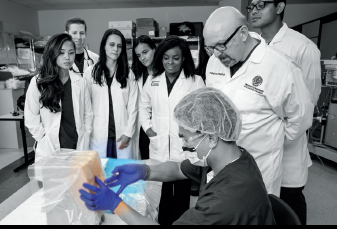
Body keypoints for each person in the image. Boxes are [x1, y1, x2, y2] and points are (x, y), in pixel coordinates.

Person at [79, 87, 276, 225]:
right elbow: (176, 169)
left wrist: (114, 204)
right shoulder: (232, 159)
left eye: (186, 138)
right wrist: (143, 171)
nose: (183, 145)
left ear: (212, 137)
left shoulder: (225, 200)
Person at [204, 7, 314, 197]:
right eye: (210, 48)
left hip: (260, 167)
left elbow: (300, 119)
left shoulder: (281, 68)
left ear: (243, 33)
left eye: (221, 46)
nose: (216, 54)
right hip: (221, 164)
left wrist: (270, 140)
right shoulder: (214, 63)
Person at [248, 0, 322, 225]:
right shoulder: (251, 45)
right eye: (250, 7)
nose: (253, 11)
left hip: (288, 145)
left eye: (261, 5)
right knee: (259, 204)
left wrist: (279, 137)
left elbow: (307, 103)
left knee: (289, 206)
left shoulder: (302, 47)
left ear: (279, 7)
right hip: (256, 144)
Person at [139, 35, 205, 225]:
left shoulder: (195, 81)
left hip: (183, 143)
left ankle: (181, 223)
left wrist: (193, 137)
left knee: (183, 187)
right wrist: (149, 129)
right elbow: (144, 107)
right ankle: (164, 222)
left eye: (175, 58)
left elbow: (201, 112)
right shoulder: (153, 80)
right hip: (159, 142)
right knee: (161, 188)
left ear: (184, 58)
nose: (170, 62)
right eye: (166, 57)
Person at [25, 33, 92, 162]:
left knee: (75, 180)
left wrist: (86, 134)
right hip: (51, 146)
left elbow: (88, 113)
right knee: (52, 181)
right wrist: (43, 138)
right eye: (61, 53)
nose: (67, 57)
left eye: (71, 52)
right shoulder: (39, 82)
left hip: (76, 144)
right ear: (52, 53)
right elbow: (31, 116)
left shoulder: (80, 82)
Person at [83, 29, 139, 159]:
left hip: (121, 133)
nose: (116, 49)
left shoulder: (128, 74)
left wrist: (129, 132)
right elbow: (86, 105)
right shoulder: (90, 72)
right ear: (104, 46)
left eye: (119, 46)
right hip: (98, 133)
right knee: (101, 173)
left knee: (120, 173)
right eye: (112, 45)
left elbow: (133, 106)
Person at [132, 35, 157, 160]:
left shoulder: (164, 73)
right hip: (143, 127)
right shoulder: (137, 74)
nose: (142, 58)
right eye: (138, 55)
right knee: (146, 163)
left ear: (154, 49)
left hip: (159, 124)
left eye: (145, 52)